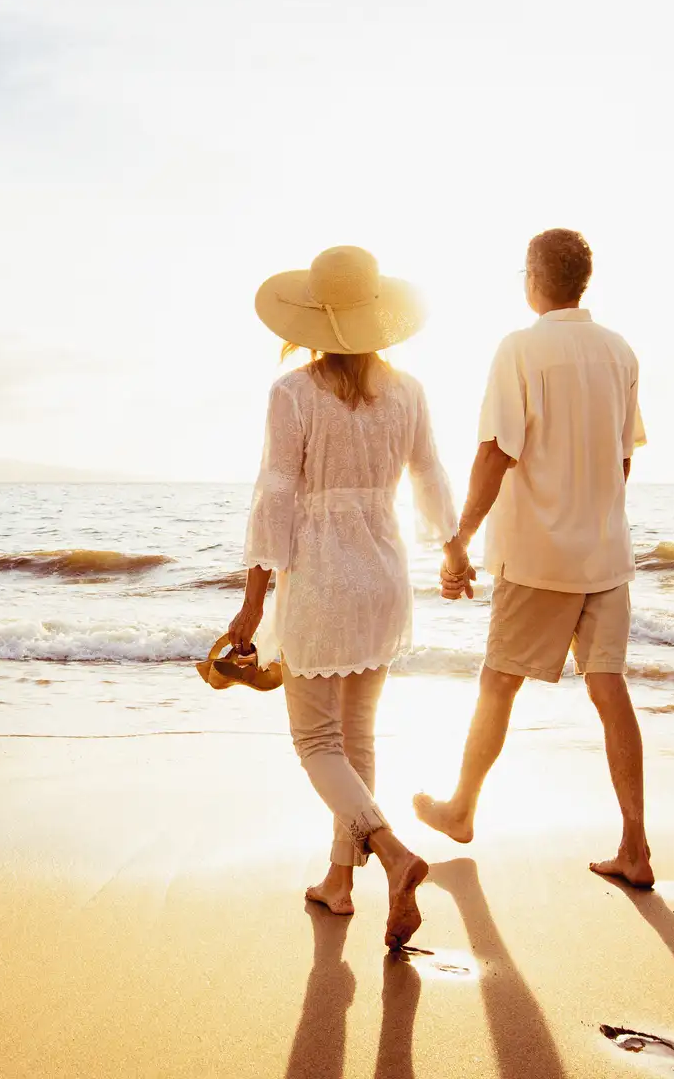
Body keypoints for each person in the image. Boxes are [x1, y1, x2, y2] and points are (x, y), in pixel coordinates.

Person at [228, 244, 458, 949]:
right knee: (356, 736)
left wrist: (251, 601)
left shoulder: (293, 393)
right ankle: (339, 882)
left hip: (324, 575)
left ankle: (390, 853)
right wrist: (451, 548)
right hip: (385, 573)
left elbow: (276, 495)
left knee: (316, 740)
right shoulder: (409, 391)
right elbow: (428, 475)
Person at [414, 228, 654, 888]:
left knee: (498, 682)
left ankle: (461, 808)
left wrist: (460, 538)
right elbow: (623, 457)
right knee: (610, 691)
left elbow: (496, 452)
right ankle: (635, 846)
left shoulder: (520, 350)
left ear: (533, 278)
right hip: (605, 554)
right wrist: (597, 516)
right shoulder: (620, 353)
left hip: (538, 555)